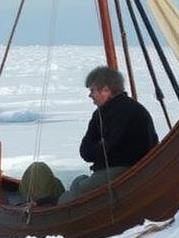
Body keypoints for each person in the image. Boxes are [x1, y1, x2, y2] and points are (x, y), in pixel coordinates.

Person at [58, 66, 158, 205]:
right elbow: (85, 152)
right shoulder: (100, 114)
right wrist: (100, 146)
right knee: (79, 184)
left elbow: (109, 147)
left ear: (105, 89)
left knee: (70, 198)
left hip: (127, 172)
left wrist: (100, 147)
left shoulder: (128, 111)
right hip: (116, 172)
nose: (90, 95)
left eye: (92, 90)